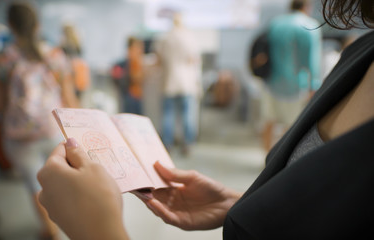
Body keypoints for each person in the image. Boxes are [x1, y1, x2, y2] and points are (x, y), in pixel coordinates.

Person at [37, 0, 374, 239]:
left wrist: (98, 231)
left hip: (184, 85)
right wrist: (243, 205)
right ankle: (186, 141)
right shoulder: (359, 54)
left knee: (173, 118)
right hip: (205, 86)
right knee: (184, 117)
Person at [0, 2, 79, 240]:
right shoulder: (55, 55)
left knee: (35, 186)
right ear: (37, 24)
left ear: (11, 26)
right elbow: (69, 98)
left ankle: (50, 231)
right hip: (53, 129)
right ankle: (73, 225)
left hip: (19, 137)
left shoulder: (2, 60)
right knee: (63, 180)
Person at [261, 0, 322, 152]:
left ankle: (266, 157)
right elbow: (312, 60)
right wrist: (313, 85)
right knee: (291, 126)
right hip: (296, 84)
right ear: (306, 7)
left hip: (271, 82)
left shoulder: (276, 23)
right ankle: (280, 161)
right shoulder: (309, 25)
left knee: (269, 121)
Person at [155, 13, 202, 155]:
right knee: (187, 115)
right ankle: (187, 144)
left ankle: (167, 144)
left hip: (169, 82)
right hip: (186, 83)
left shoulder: (165, 38)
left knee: (168, 115)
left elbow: (159, 60)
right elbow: (193, 60)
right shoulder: (189, 37)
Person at [59, 24, 91, 100]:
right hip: (78, 77)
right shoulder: (77, 46)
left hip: (72, 74)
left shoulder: (64, 47)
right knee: (76, 97)